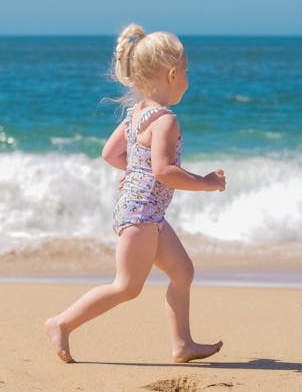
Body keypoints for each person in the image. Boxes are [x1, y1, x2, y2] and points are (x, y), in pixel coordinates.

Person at [45, 23, 227, 364]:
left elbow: (111, 154)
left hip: (145, 213)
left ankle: (182, 344)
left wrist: (134, 173)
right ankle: (61, 322)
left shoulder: (136, 115)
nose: (188, 77)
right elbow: (163, 171)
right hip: (141, 215)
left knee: (183, 272)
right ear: (172, 74)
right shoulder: (165, 121)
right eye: (187, 71)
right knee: (126, 287)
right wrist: (205, 182)